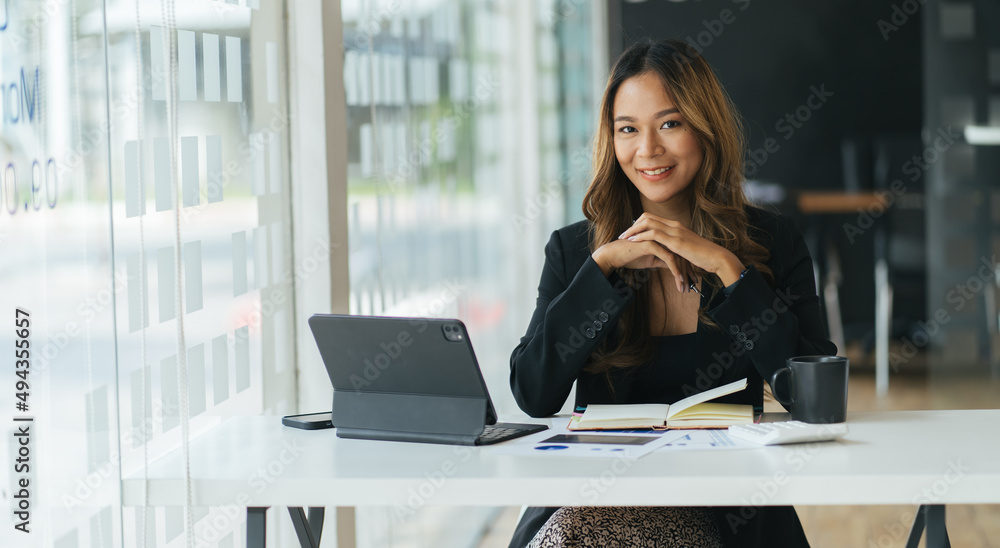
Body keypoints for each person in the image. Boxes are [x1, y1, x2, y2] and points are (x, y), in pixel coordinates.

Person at [506, 38, 837, 548]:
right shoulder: (575, 251)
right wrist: (603, 268)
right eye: (628, 130)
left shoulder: (772, 242)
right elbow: (534, 393)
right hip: (594, 501)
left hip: (726, 507)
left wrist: (729, 269)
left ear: (705, 127)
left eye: (670, 123)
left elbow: (813, 396)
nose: (648, 150)